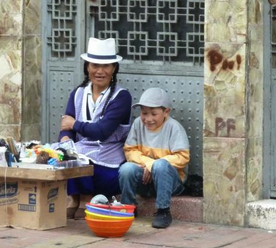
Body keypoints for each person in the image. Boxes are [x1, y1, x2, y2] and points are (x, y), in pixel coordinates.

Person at [59, 37, 132, 219]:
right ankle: (74, 198)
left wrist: (74, 125)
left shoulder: (121, 97)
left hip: (108, 157)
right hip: (83, 151)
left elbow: (103, 131)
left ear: (114, 68)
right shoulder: (78, 93)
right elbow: (66, 126)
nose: (100, 71)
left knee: (89, 166)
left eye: (106, 66)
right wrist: (65, 138)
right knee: (60, 156)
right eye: (94, 65)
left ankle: (90, 199)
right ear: (87, 67)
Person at [119, 88, 190, 229]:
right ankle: (128, 207)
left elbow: (183, 157)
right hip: (146, 180)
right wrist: (149, 164)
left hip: (170, 183)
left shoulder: (174, 127)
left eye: (154, 114)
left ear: (166, 112)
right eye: (144, 113)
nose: (148, 119)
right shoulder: (138, 124)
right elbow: (129, 150)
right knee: (126, 168)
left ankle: (163, 211)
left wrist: (155, 165)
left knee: (161, 166)